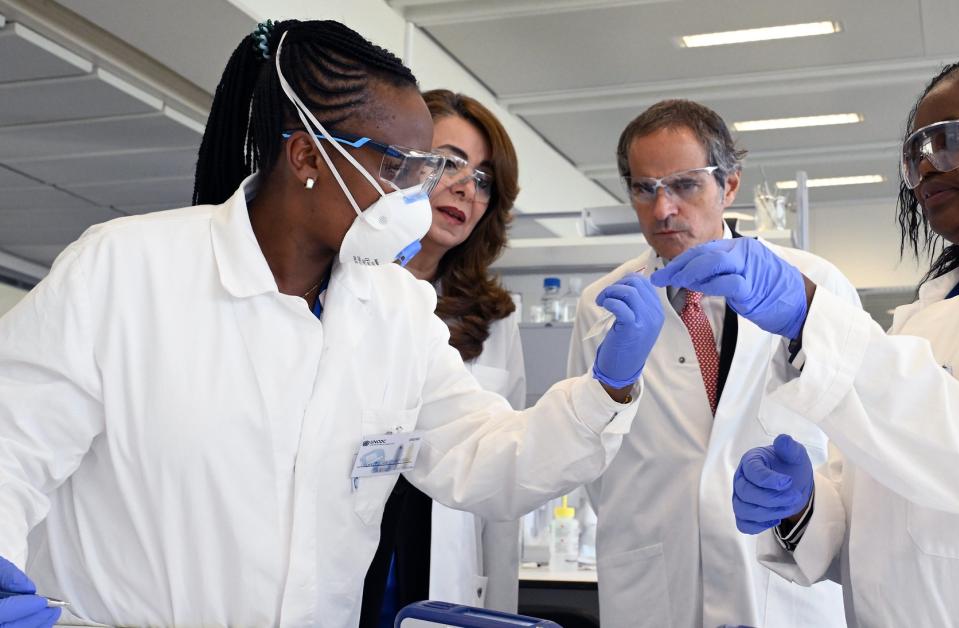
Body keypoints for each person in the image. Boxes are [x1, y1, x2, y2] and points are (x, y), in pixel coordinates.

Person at [0, 19, 664, 627]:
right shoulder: (126, 268)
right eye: (395, 167)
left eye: (423, 168)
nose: (417, 194)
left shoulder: (396, 310)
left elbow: (485, 458)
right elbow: (12, 451)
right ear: (309, 158)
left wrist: (603, 393)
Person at [656, 41, 959, 625]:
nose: (926, 164)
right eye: (916, 149)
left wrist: (811, 316)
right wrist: (805, 505)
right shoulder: (925, 313)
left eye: (952, 139)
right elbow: (877, 525)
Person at [567, 99, 856, 628]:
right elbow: (589, 456)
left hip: (780, 579)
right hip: (654, 582)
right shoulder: (602, 303)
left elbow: (855, 434)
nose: (662, 210)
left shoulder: (812, 284)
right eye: (644, 188)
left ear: (729, 186)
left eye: (683, 184)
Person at [362, 90, 524, 623]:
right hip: (350, 535)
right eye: (450, 162)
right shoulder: (345, 282)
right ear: (401, 160)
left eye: (483, 179)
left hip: (437, 556)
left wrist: (498, 611)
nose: (465, 187)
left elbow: (505, 477)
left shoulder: (495, 319)